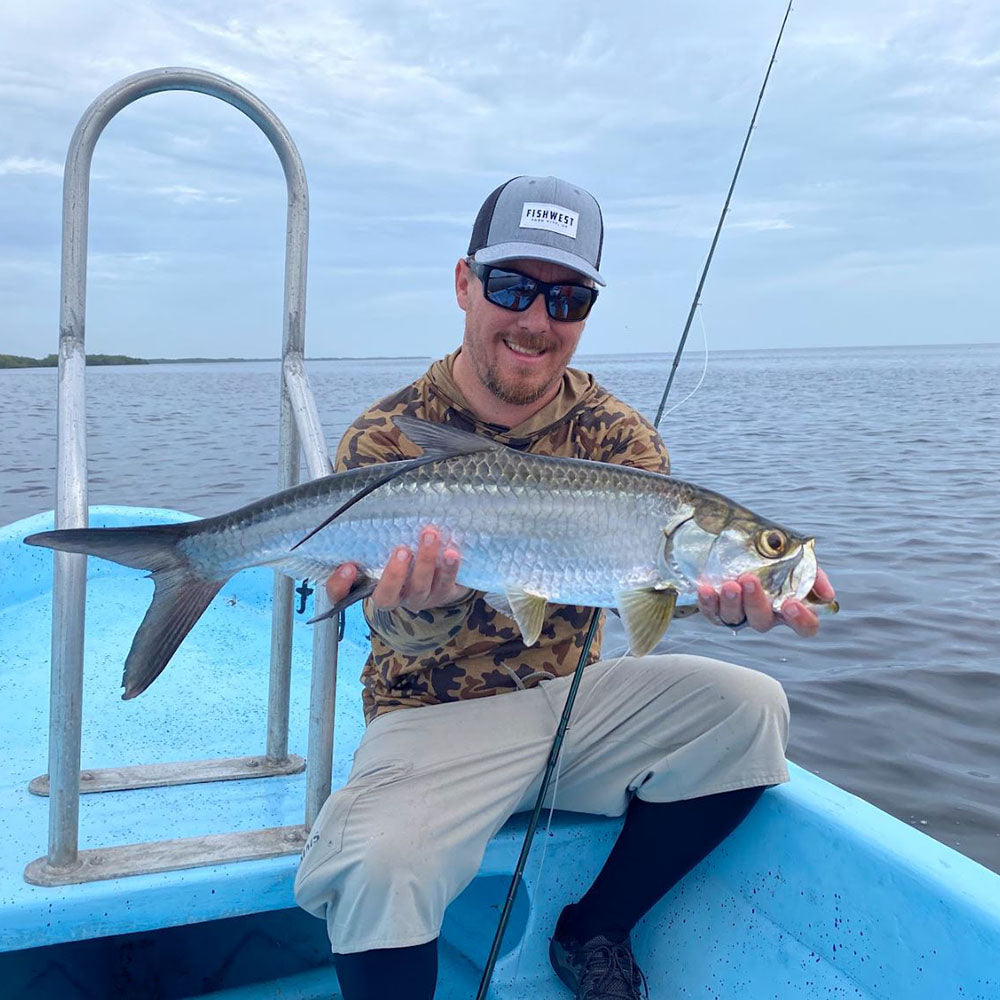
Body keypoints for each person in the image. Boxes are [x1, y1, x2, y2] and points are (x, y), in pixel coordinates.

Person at [294, 175, 835, 1000]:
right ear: (464, 284)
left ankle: (594, 928)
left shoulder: (621, 437)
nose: (536, 321)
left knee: (752, 709)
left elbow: (648, 596)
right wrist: (418, 611)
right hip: (431, 718)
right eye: (512, 286)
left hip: (575, 703)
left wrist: (729, 598)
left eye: (568, 298)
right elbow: (381, 627)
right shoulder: (389, 433)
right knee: (378, 867)